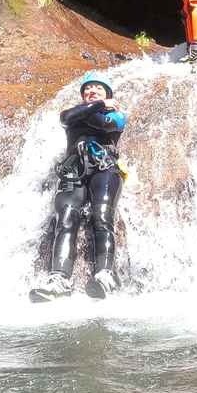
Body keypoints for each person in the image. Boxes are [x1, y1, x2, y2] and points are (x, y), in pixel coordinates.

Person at [31, 73, 127, 302]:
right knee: (65, 219)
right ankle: (59, 279)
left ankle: (105, 275)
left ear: (109, 96)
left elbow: (100, 123)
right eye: (88, 89)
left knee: (102, 216)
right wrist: (99, 104)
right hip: (72, 172)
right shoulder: (73, 113)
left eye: (99, 89)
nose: (92, 90)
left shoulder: (117, 116)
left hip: (105, 169)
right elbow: (67, 117)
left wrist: (93, 110)